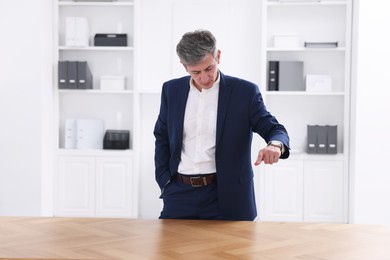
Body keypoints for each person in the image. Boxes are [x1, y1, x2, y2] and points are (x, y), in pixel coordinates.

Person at [154, 29, 290, 221]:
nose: (204, 78)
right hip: (179, 194)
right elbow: (161, 136)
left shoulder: (245, 92)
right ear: (184, 67)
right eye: (196, 72)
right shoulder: (171, 90)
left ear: (218, 56)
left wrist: (275, 145)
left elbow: (274, 128)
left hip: (228, 195)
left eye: (209, 68)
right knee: (170, 251)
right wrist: (164, 180)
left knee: (233, 252)